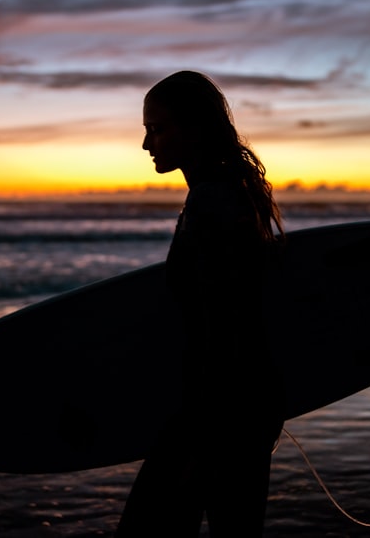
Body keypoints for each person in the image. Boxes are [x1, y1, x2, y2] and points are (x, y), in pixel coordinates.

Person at [116, 71, 285, 537]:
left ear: (194, 128)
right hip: (236, 410)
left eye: (157, 129)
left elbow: (227, 331)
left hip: (219, 417)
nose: (147, 144)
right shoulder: (220, 195)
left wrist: (204, 447)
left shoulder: (214, 205)